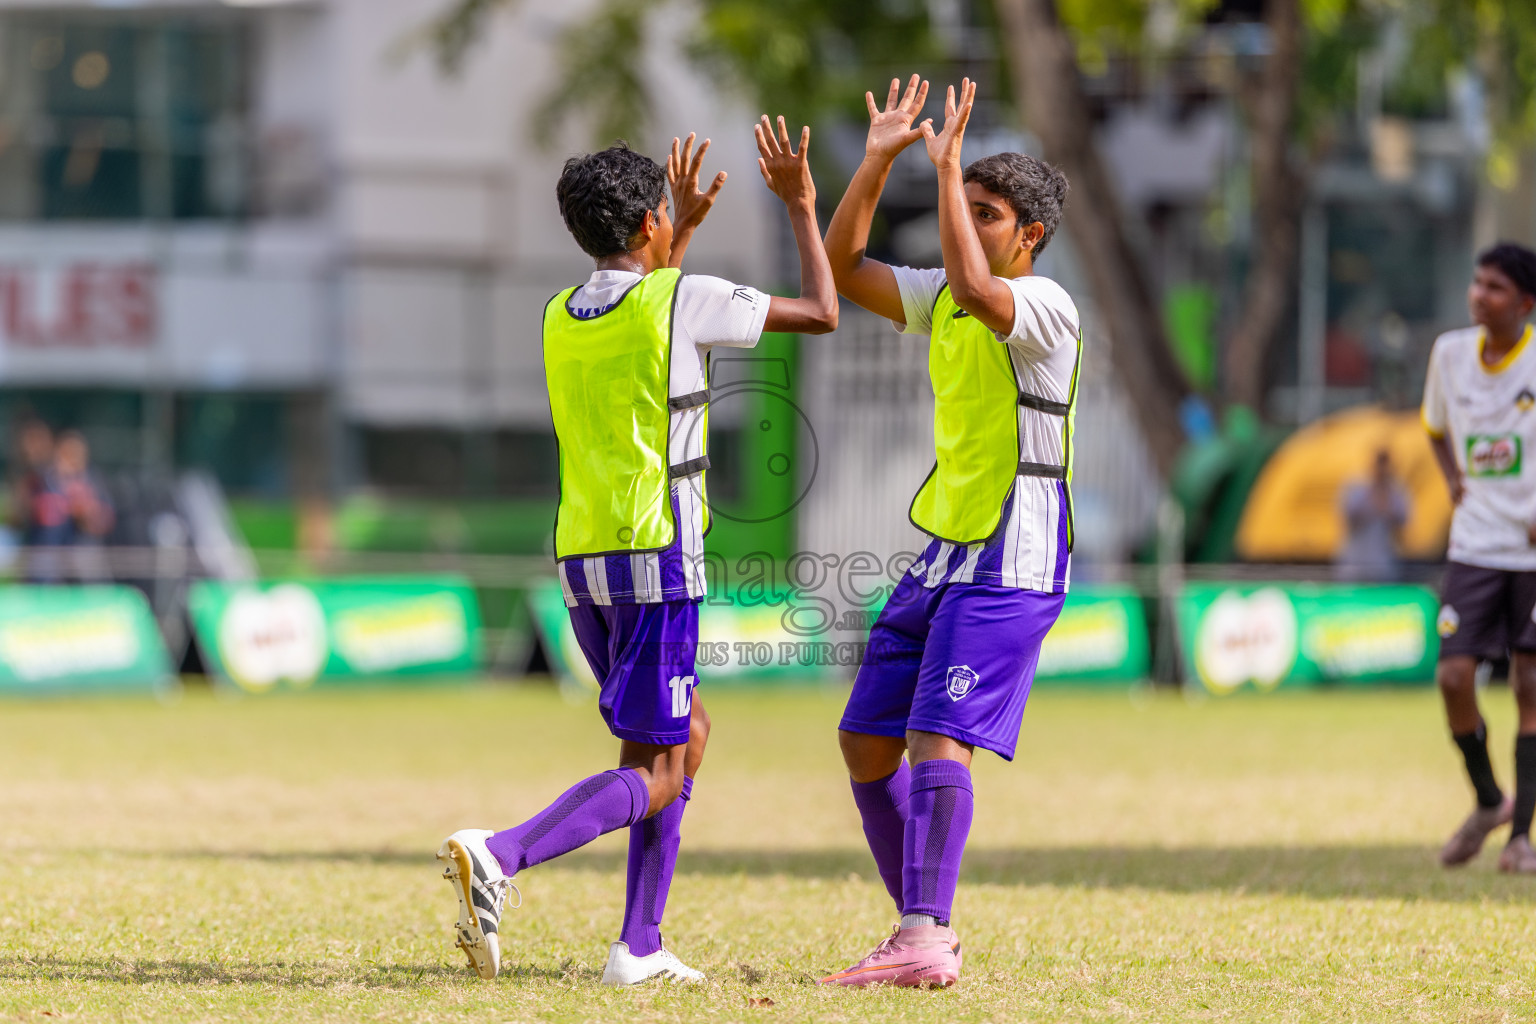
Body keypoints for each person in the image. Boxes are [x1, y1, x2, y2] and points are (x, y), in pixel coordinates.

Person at [435, 124, 837, 985]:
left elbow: (641, 305)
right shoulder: (678, 297)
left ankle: (640, 947)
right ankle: (500, 852)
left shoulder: (560, 313)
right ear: (651, 221)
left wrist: (673, 230)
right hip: (659, 559)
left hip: (584, 562)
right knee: (660, 770)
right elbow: (823, 312)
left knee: (679, 739)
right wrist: (802, 206)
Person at [818, 76, 1078, 987]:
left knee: (937, 737)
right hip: (945, 549)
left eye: (986, 212)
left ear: (1029, 237)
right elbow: (843, 264)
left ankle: (924, 934)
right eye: (963, 207)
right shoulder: (944, 298)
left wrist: (946, 163)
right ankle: (919, 925)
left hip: (1017, 556)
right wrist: (879, 160)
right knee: (864, 736)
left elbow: (974, 279)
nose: (965, 221)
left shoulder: (1044, 308)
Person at [1422, 242, 1536, 873]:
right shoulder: (1450, 354)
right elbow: (1435, 428)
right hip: (1473, 545)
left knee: (1530, 684)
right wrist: (1452, 481)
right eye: (1476, 282)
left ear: (1525, 303)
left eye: (1495, 287)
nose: (1479, 295)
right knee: (1453, 677)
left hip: (1530, 552)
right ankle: (1489, 799)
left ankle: (1521, 840)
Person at [1336, 448, 1410, 583]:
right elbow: (1348, 518)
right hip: (1355, 567)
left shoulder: (1395, 491)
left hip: (1383, 567)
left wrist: (1386, 503)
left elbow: (1404, 521)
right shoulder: (1356, 488)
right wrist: (1373, 495)